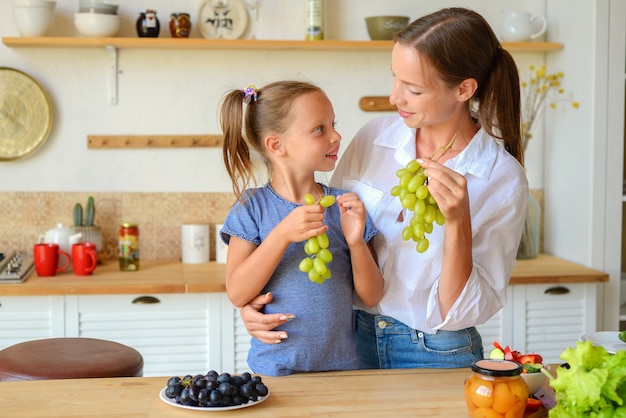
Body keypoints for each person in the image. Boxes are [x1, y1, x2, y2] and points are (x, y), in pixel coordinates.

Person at [238, 7, 528, 370]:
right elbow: (332, 245)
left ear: (464, 89)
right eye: (395, 78)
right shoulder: (373, 138)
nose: (395, 97)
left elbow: (459, 310)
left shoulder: (501, 177)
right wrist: (252, 303)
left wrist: (458, 223)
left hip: (437, 352)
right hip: (349, 342)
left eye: (413, 89)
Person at [218, 80, 384, 376]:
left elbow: (371, 297)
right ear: (276, 145)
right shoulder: (251, 208)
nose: (336, 136)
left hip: (343, 372)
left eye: (333, 124)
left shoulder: (344, 206)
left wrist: (356, 242)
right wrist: (281, 235)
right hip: (274, 371)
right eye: (319, 129)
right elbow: (237, 293)